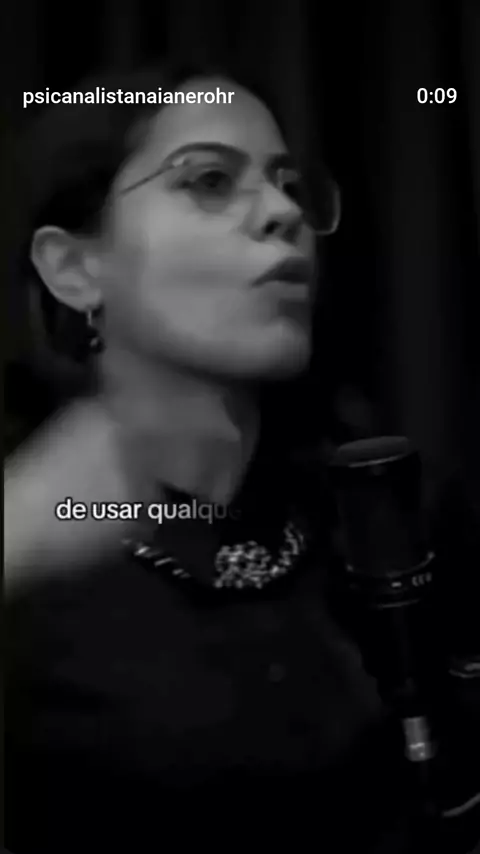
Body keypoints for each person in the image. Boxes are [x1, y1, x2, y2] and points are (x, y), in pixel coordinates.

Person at [4, 62, 480, 854]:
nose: (284, 212)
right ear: (74, 269)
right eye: (210, 181)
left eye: (291, 186)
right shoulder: (24, 549)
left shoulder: (390, 509)